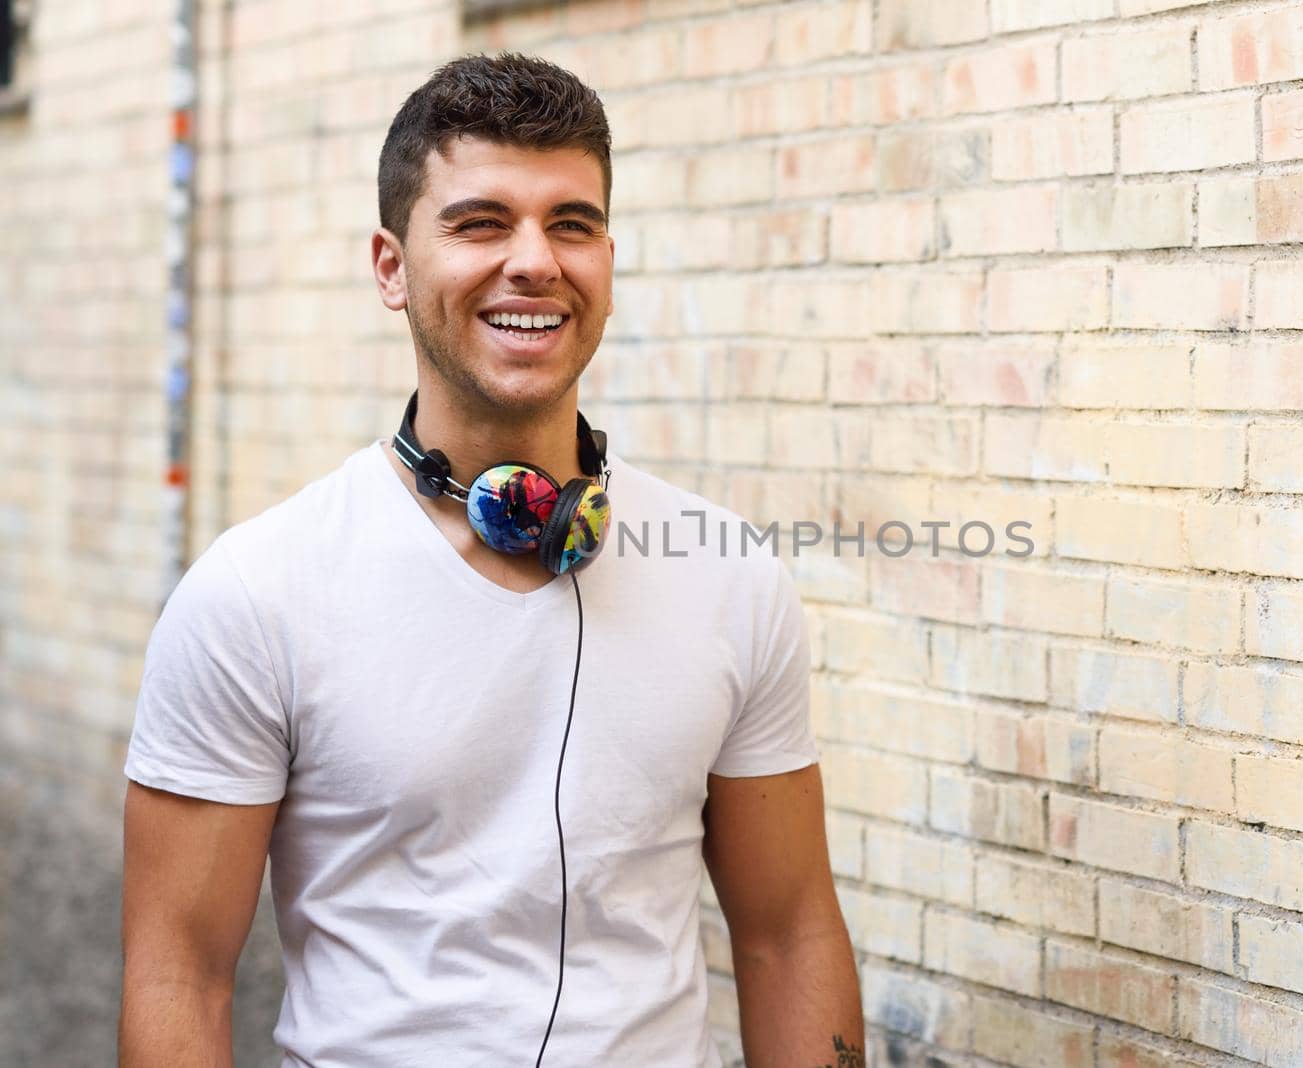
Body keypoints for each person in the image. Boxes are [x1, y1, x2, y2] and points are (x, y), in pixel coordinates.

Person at [118, 52, 863, 1067]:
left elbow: (788, 938)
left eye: (572, 223)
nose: (535, 262)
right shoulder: (256, 594)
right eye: (480, 223)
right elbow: (178, 977)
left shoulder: (733, 576)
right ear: (391, 267)